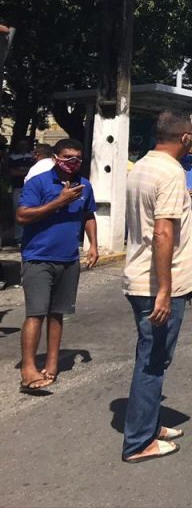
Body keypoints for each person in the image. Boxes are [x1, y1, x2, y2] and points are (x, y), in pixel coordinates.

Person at [122, 111, 192, 464]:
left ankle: (148, 424)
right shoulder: (172, 173)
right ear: (185, 138)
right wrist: (164, 290)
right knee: (153, 362)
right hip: (157, 284)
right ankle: (139, 441)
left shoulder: (142, 166)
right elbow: (162, 232)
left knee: (154, 357)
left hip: (140, 276)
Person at [16, 139, 97, 393]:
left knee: (57, 314)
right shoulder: (38, 183)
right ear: (55, 157)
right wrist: (59, 202)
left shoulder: (84, 186)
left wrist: (93, 244)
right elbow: (22, 215)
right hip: (38, 257)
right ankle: (28, 368)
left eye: (77, 159)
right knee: (36, 314)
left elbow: (88, 215)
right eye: (67, 158)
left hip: (68, 259)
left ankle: (52, 365)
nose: (72, 163)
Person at [8, 137, 34, 243]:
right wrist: (25, 171)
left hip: (30, 188)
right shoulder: (13, 157)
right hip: (17, 187)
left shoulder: (31, 156)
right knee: (17, 210)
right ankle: (18, 236)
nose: (24, 147)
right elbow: (12, 172)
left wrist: (21, 170)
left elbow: (32, 171)